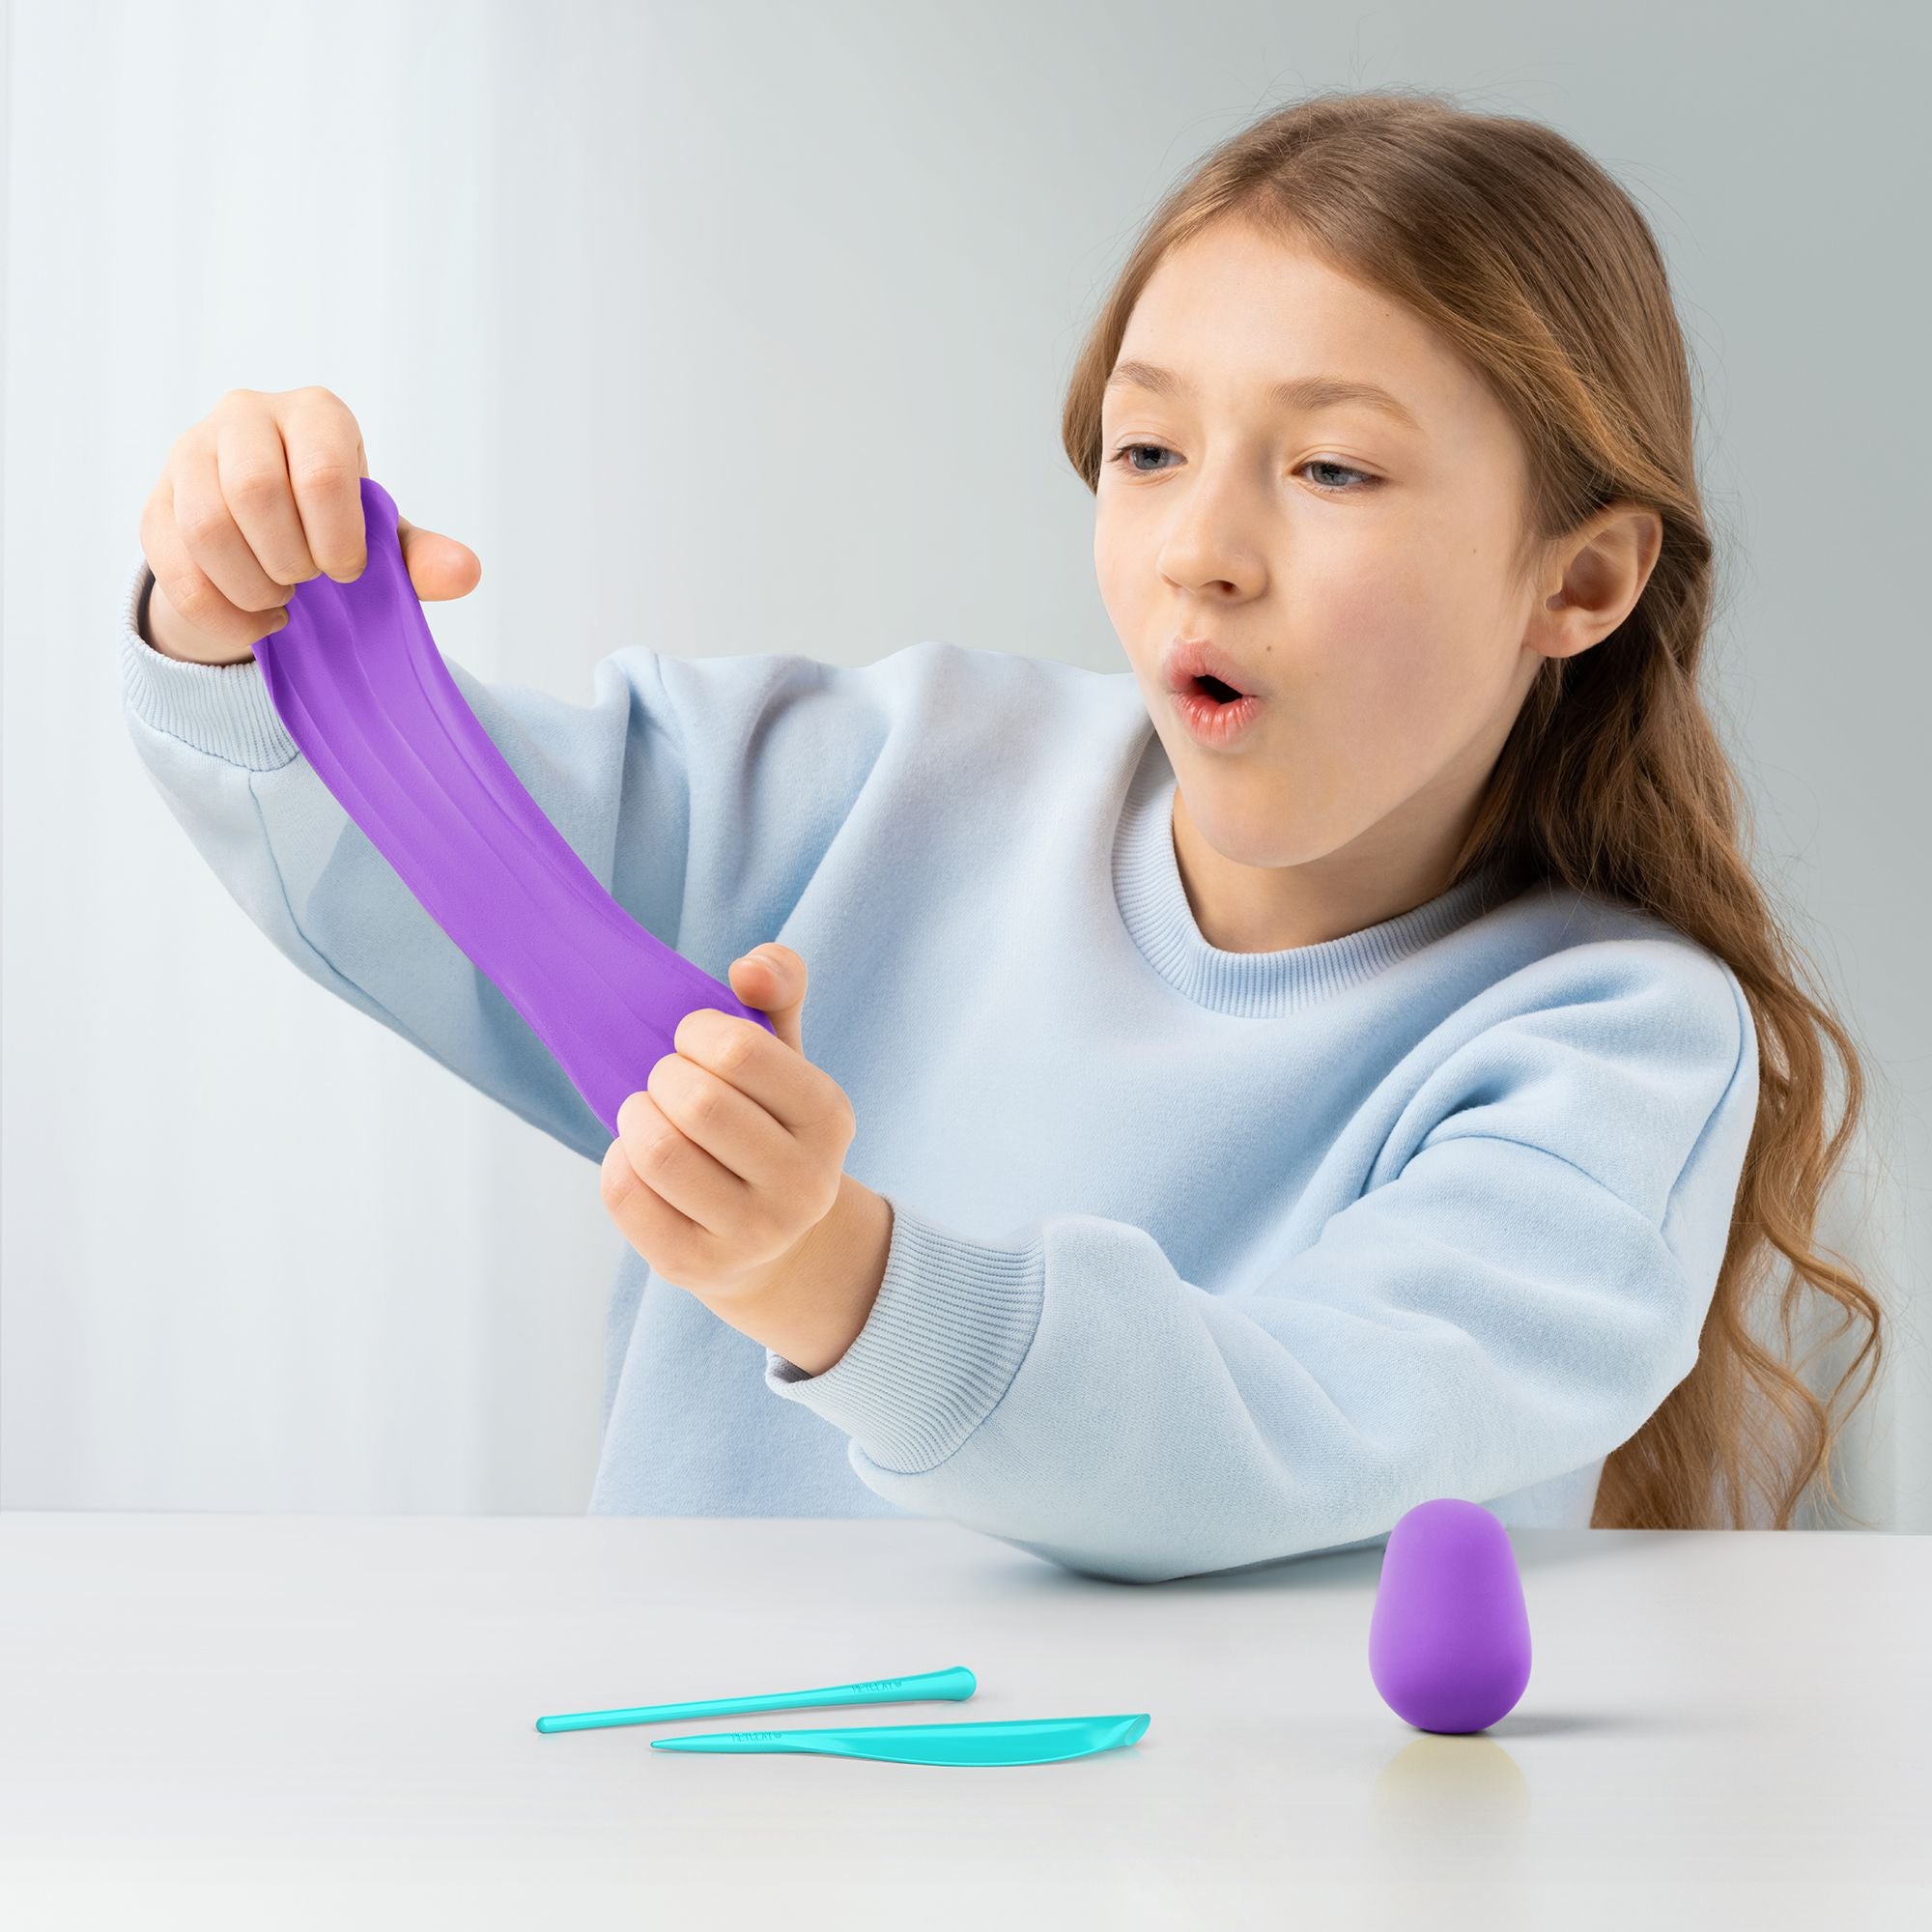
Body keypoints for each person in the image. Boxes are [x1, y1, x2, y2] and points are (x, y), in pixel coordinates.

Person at [118, 88, 1884, 1583]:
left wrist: (836, 1279)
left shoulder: (1610, 1048)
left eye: (1330, 469)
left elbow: (1292, 1427)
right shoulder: (891, 779)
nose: (1205, 547)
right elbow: (422, 854)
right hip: (689, 1824)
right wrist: (247, 615)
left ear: (1580, 577)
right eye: (1146, 452)